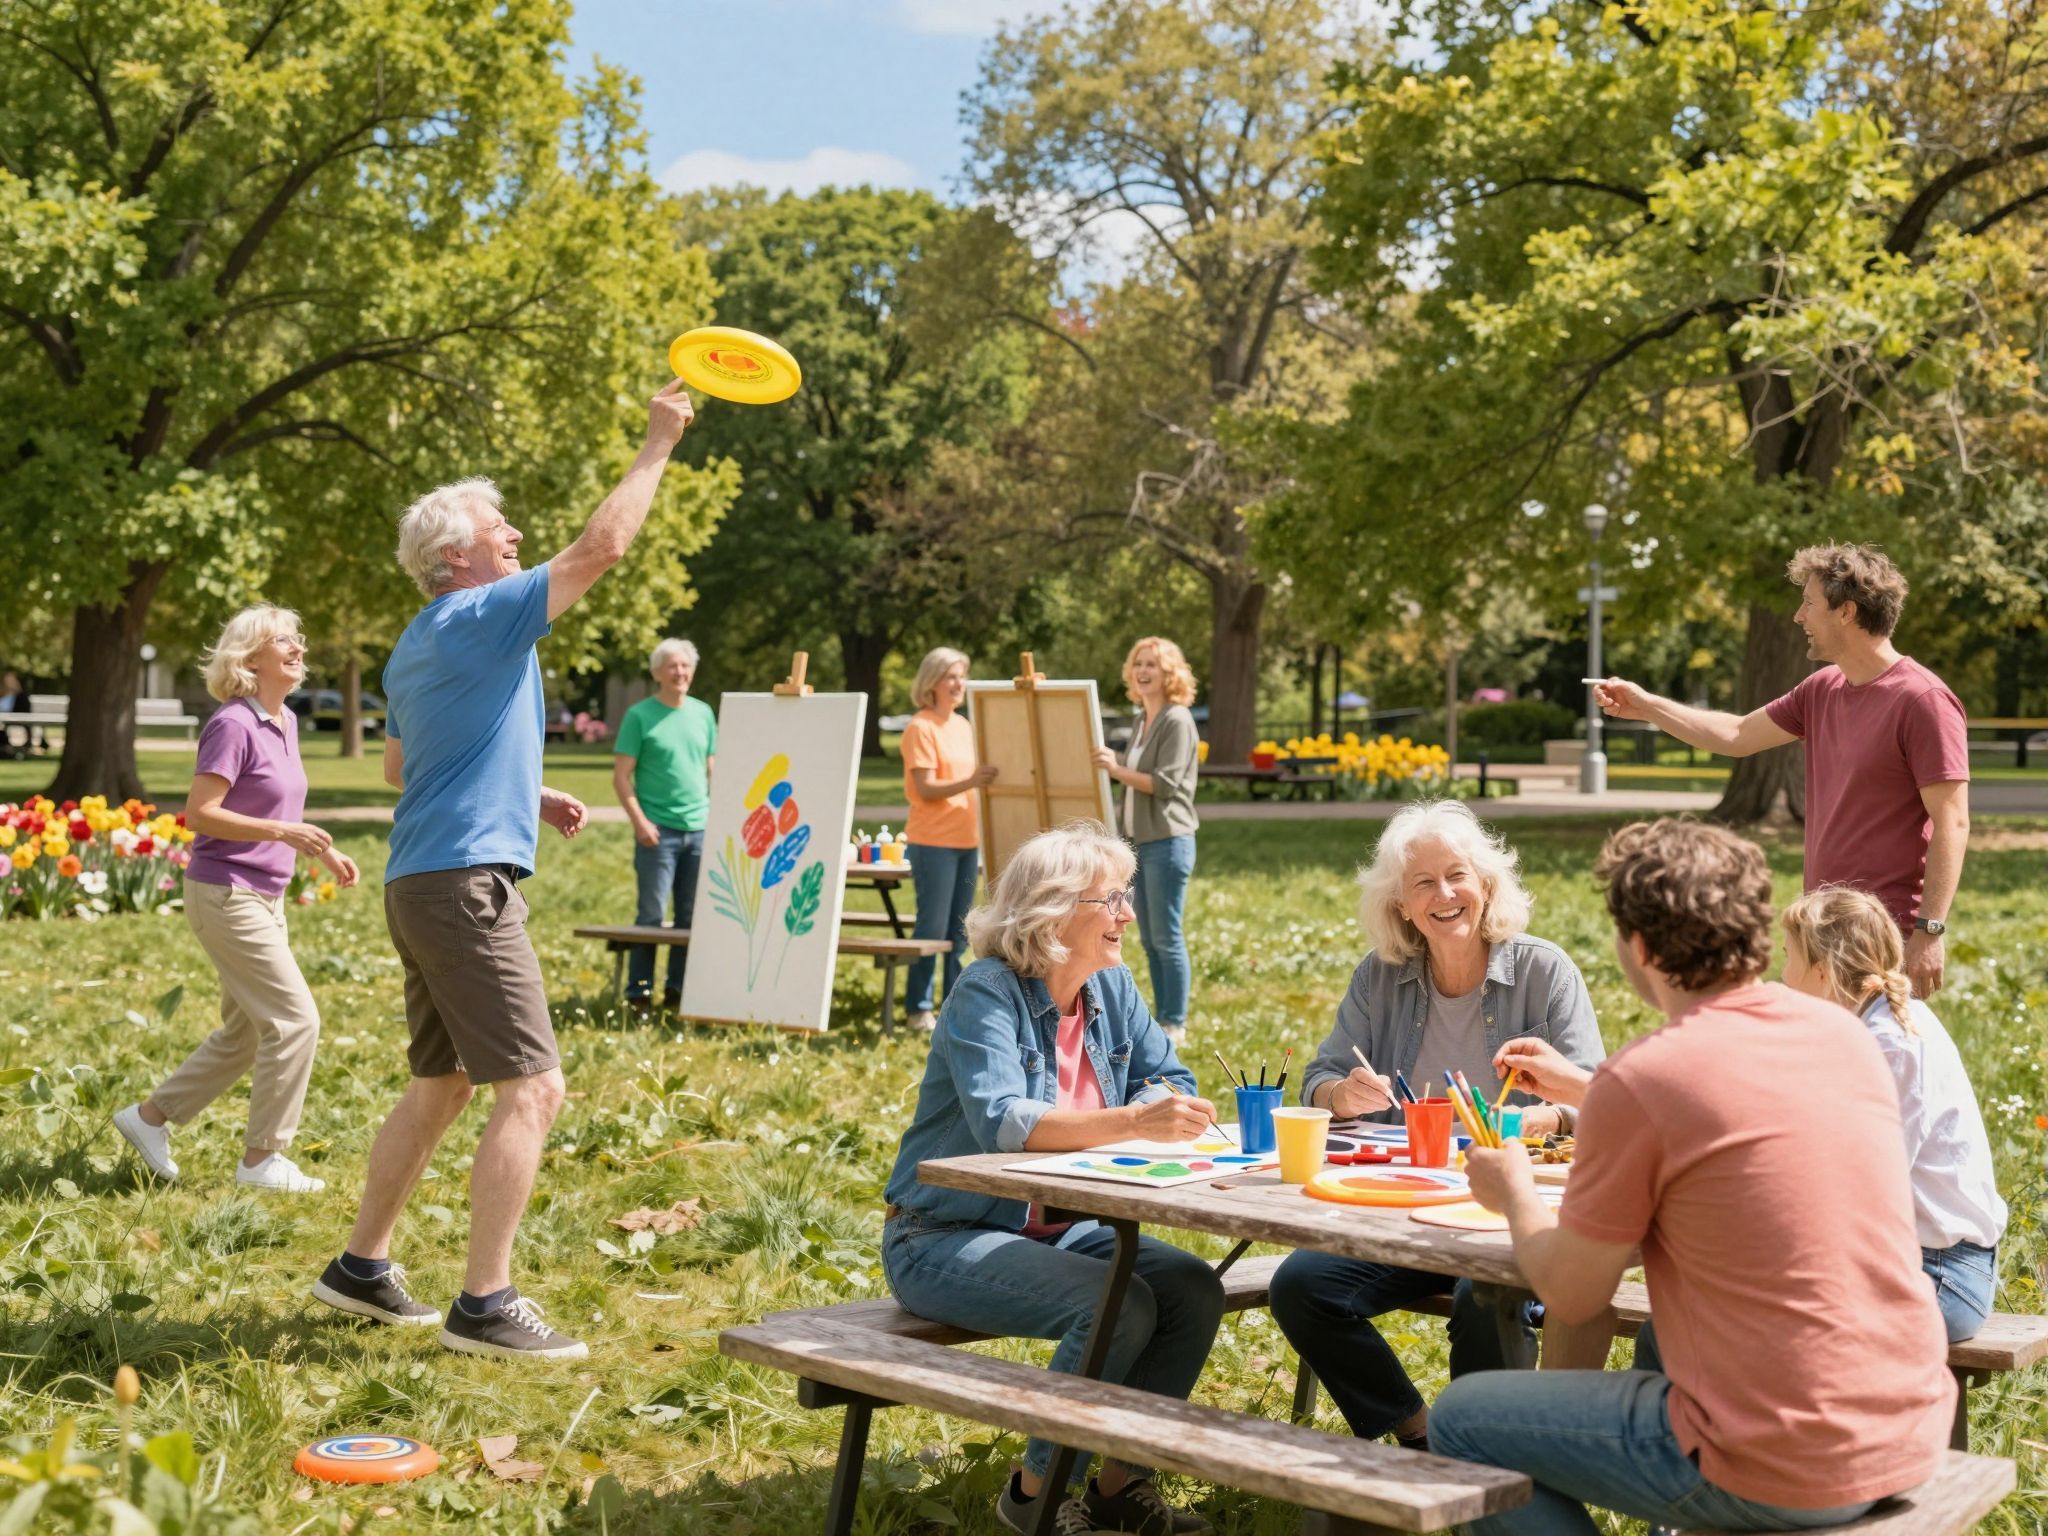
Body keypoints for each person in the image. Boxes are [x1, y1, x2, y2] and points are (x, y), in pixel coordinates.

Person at [311, 379, 697, 1363]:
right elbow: (601, 548)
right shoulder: (480, 614)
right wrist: (657, 442)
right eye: (499, 529)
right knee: (534, 1089)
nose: (517, 535)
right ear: (456, 558)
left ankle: (360, 1267)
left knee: (440, 1086)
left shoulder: (419, 644)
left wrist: (527, 792)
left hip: (419, 879)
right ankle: (484, 1303)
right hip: (463, 887)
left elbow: (405, 768)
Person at [1435, 818, 1953, 1536]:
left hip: (1786, 1460)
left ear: (1640, 948)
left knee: (1461, 1420)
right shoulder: (1844, 1035)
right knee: (1656, 1351)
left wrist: (1513, 1188)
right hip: (1908, 1426)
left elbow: (1574, 1293)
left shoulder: (1645, 1079)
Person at [882, 822, 1224, 1536]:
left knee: (1192, 1289)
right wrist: (1136, 1120)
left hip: (1064, 1228)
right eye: (1112, 899)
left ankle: (1120, 1488)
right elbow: (1004, 1121)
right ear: (1055, 910)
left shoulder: (1112, 986)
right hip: (943, 1234)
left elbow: (1172, 1076)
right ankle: (1033, 1495)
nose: (1128, 914)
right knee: (1117, 1306)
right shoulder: (986, 990)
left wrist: (1162, 1104)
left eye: (1126, 897)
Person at [1270, 800, 1605, 1451]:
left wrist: (1537, 1118)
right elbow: (1318, 1081)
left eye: (1457, 876)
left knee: (1484, 1299)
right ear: (1401, 904)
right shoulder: (1380, 977)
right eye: (1424, 883)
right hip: (1405, 1206)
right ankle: (1423, 1436)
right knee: (1301, 1287)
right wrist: (1343, 1094)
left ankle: (1490, 1459)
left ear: (1486, 884)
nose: (1445, 896)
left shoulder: (1544, 971)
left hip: (1508, 1214)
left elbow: (1593, 1097)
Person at [1594, 543, 1968, 997]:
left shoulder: (1923, 700)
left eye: (1809, 603)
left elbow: (1953, 821)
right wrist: (1647, 706)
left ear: (1846, 611)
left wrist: (1929, 931)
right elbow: (1736, 735)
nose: (1798, 616)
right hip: (1822, 925)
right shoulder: (1821, 688)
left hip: (1884, 934)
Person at [112, 607, 357, 1193]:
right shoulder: (233, 724)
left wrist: (320, 849)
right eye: (283, 640)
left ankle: (149, 1119)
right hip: (226, 893)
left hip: (264, 895)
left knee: (246, 1032)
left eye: (298, 638)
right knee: (295, 1021)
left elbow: (276, 805)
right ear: (250, 657)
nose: (298, 648)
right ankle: (262, 1159)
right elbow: (200, 814)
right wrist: (283, 833)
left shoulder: (284, 721)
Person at [1782, 885, 2005, 1342]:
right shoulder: (1874, 1024)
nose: (1782, 977)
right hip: (1907, 1259)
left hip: (1941, 1277)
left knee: (1743, 1317)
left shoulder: (1891, 1045)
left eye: (1788, 958)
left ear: (1821, 972)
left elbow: (1865, 1188)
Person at [1090, 638, 1201, 1041]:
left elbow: (1165, 784)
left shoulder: (1177, 720)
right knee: (1150, 938)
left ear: (1169, 673)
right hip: (1137, 844)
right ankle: (1163, 1019)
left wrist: (1116, 769)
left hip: (1168, 841)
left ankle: (1175, 1022)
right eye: (1138, 663)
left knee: (1166, 936)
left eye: (1152, 664)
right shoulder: (1141, 720)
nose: (1142, 671)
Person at [613, 637, 716, 1013]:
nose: (680, 672)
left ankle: (677, 992)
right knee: (652, 915)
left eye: (685, 665)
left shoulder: (703, 713)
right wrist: (641, 822)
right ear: (657, 673)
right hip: (657, 833)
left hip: (699, 830)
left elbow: (712, 770)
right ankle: (639, 994)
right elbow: (621, 777)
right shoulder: (639, 716)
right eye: (672, 666)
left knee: (690, 917)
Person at [899, 647, 996, 1033]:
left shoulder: (963, 725)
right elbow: (925, 788)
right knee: (932, 927)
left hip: (967, 839)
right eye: (951, 676)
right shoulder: (920, 727)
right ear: (932, 682)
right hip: (932, 841)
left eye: (962, 676)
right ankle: (918, 1008)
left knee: (960, 931)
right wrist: (971, 781)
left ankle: (955, 1005)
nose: (959, 683)